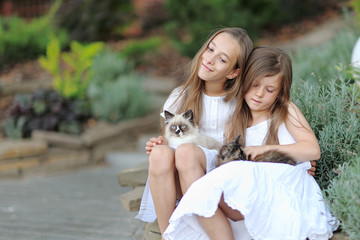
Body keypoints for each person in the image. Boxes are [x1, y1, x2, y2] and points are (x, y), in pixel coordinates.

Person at [163, 47, 338, 240]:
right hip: (247, 199)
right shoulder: (235, 121)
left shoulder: (285, 111)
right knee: (205, 185)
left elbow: (312, 149)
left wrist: (267, 150)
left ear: (280, 93)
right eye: (254, 85)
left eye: (270, 89)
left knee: (208, 187)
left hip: (282, 192)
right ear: (244, 81)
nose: (260, 94)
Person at [135, 27, 254, 237]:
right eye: (210, 49)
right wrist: (158, 144)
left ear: (233, 72)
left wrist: (300, 163)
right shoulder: (180, 96)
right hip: (181, 180)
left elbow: (263, 137)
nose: (210, 59)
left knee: (187, 152)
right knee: (161, 154)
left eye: (222, 59)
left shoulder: (241, 104)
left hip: (220, 180)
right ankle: (168, 234)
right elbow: (170, 140)